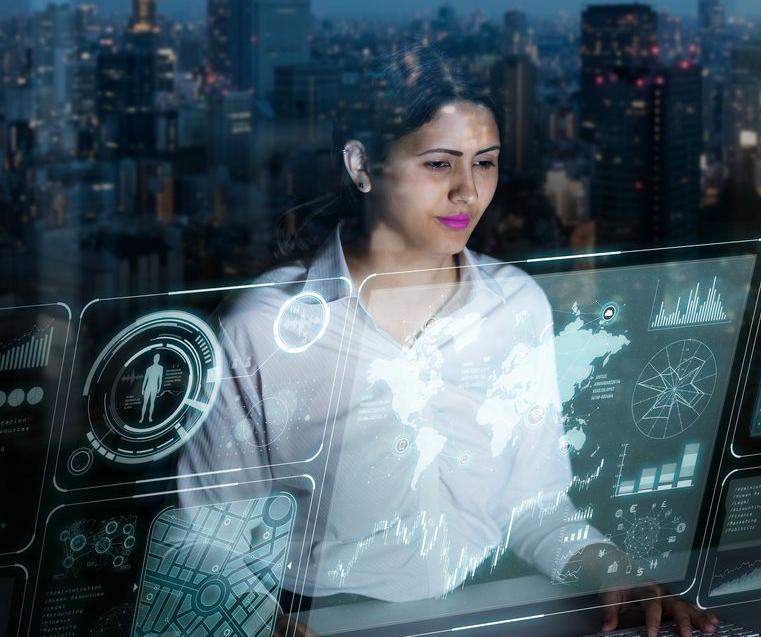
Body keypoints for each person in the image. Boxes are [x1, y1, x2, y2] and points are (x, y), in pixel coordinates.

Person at [178, 45, 717, 637]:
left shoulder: (516, 307)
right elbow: (210, 541)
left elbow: (534, 507)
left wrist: (621, 573)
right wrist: (267, 626)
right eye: (440, 164)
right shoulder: (264, 326)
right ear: (361, 165)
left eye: (484, 163)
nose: (468, 191)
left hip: (497, 607)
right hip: (326, 619)